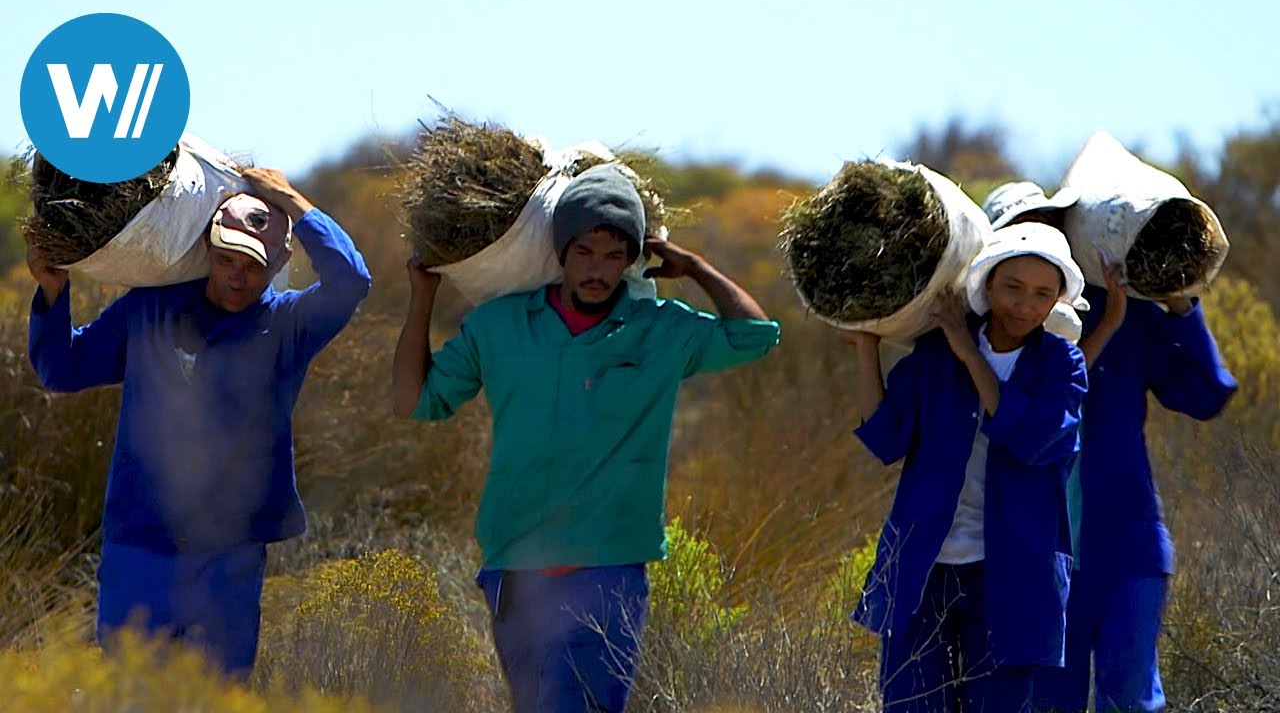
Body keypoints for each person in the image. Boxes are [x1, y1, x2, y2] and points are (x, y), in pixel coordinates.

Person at [390, 164, 780, 712]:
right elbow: (415, 401)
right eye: (585, 252)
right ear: (561, 253)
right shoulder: (501, 326)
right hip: (515, 565)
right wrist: (421, 297)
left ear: (632, 260)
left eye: (614, 255)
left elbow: (756, 336)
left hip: (607, 566)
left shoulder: (660, 329)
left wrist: (693, 266)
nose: (598, 269)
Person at [26, 169, 371, 678]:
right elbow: (64, 367)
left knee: (214, 695)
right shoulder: (151, 310)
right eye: (225, 258)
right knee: (130, 694)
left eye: (252, 266)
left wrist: (292, 201)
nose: (235, 276)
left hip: (227, 558)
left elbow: (351, 280)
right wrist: (53, 292)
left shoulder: (289, 327)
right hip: (140, 544)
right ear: (209, 249)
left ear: (279, 264)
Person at [989, 187, 1242, 712]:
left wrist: (1176, 300)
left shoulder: (1120, 312)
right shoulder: (984, 344)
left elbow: (1204, 393)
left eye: (1052, 231)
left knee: (1129, 697)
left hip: (1126, 549)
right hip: (1035, 561)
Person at [843, 222, 1088, 712]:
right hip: (922, 565)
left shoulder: (1062, 365)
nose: (1025, 306)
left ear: (1059, 300)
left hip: (1013, 572)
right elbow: (886, 438)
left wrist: (967, 351)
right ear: (986, 284)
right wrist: (868, 345)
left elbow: (1034, 441)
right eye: (1012, 288)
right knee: (911, 703)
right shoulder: (935, 354)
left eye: (1043, 294)